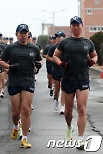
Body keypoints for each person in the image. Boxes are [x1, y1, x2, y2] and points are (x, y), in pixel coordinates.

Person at [53, 16, 98, 150]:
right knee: (67, 111)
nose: (76, 27)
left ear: (82, 26)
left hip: (83, 79)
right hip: (68, 79)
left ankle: (80, 139)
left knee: (82, 108)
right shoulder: (65, 43)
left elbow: (94, 55)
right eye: (73, 25)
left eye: (78, 25)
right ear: (71, 27)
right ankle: (69, 127)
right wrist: (60, 63)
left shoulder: (88, 42)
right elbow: (55, 56)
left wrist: (93, 61)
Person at [0, 24, 42, 149]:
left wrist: (38, 66)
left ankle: (24, 138)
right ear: (16, 34)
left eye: (25, 33)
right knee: (16, 112)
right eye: (21, 33)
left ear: (28, 34)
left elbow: (39, 60)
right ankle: (16, 127)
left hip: (28, 81)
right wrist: (9, 67)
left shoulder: (34, 48)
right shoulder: (11, 48)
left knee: (26, 109)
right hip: (14, 81)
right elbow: (0, 61)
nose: (23, 35)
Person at [47, 32, 66, 113]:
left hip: (65, 70)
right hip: (56, 70)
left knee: (63, 89)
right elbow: (48, 57)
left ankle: (62, 106)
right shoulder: (53, 48)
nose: (58, 39)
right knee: (57, 89)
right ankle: (56, 100)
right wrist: (56, 60)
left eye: (60, 37)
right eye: (57, 37)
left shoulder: (67, 47)